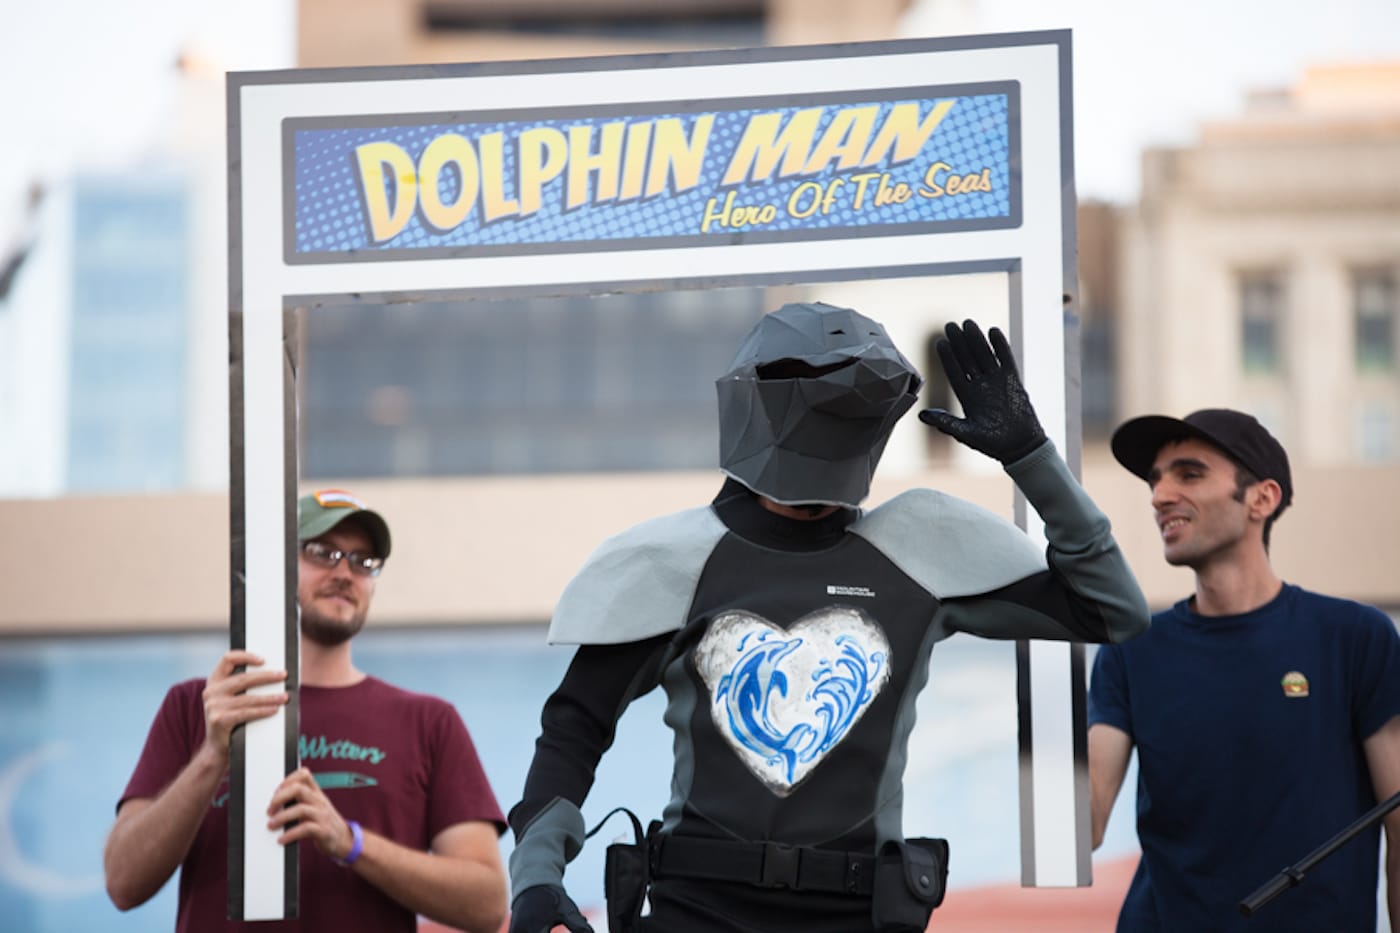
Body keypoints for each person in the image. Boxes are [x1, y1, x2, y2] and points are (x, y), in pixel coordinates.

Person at [506, 301, 1150, 933]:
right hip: (698, 908)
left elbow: (1113, 610)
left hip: (859, 909)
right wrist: (537, 872)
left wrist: (1031, 457)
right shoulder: (675, 560)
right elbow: (576, 724)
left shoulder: (917, 549)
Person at [104, 489, 509, 933]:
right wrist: (212, 756)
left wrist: (350, 842)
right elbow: (124, 883)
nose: (344, 572)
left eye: (363, 561)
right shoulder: (198, 705)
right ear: (276, 568)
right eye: (323, 552)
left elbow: (487, 905)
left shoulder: (429, 722)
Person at [1088, 408, 1400, 931]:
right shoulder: (1131, 648)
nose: (1160, 495)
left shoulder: (1355, 638)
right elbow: (1085, 825)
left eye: (1189, 474)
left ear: (1262, 498)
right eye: (1155, 480)